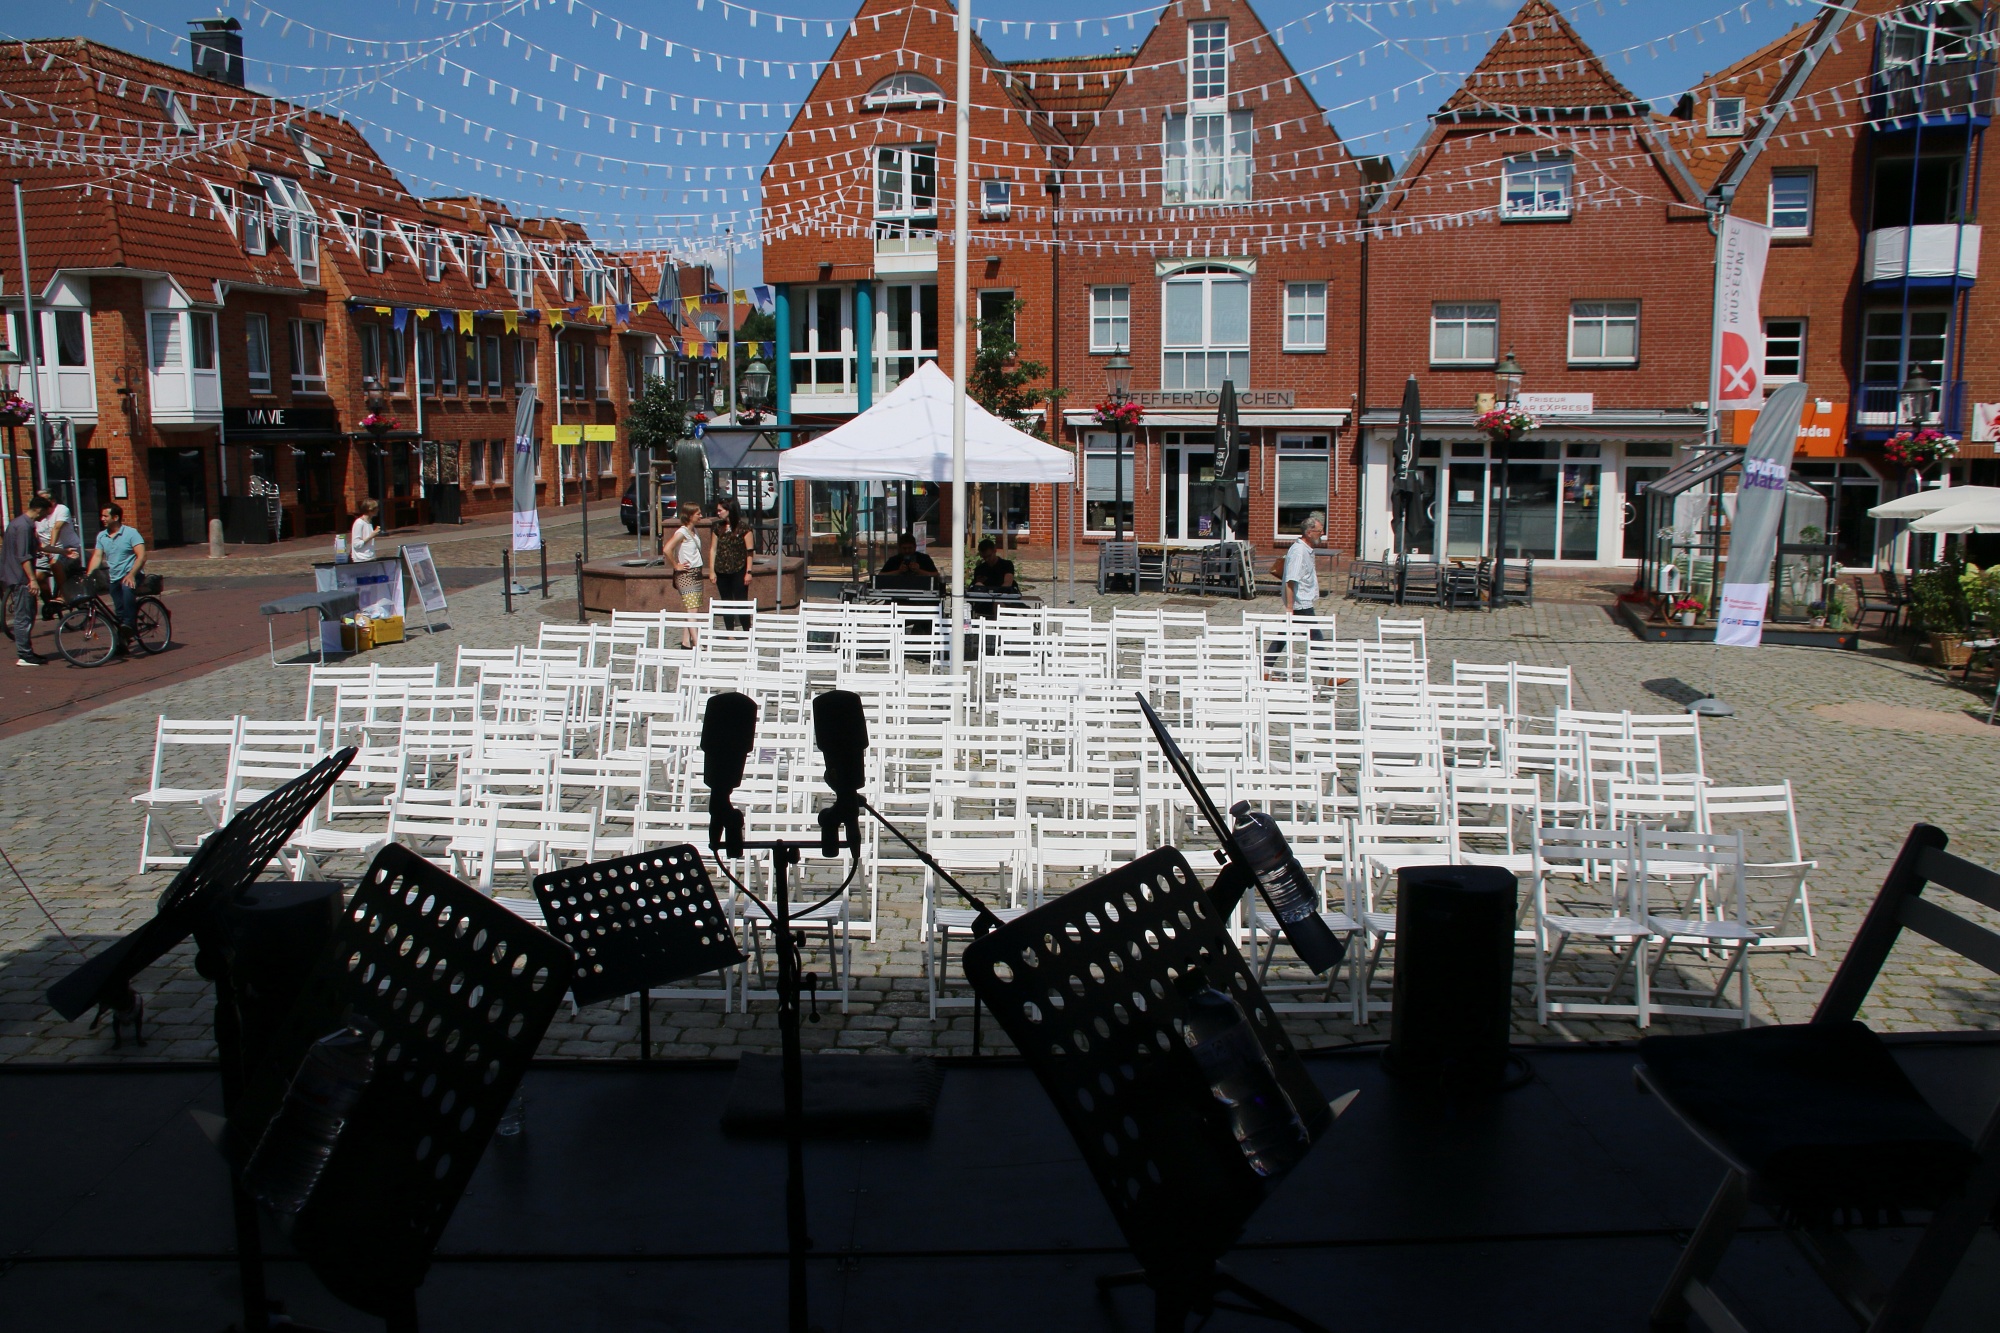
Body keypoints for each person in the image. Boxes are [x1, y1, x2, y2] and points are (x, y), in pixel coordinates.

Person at [1267, 511, 1327, 677]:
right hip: (1300, 603)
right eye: (1319, 531)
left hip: (1301, 602)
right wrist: (1289, 607)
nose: (1322, 533)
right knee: (1315, 638)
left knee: (1283, 637)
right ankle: (1329, 675)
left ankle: (1264, 668)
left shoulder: (1305, 549)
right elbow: (1290, 580)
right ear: (1309, 532)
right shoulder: (1299, 552)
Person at [85, 502, 147, 652]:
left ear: (115, 517)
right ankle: (123, 641)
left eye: (105, 516)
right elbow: (97, 556)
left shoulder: (131, 533)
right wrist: (89, 575)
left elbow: (142, 556)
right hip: (114, 578)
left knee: (127, 590)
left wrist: (132, 574)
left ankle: (129, 625)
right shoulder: (102, 536)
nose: (102, 519)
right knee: (118, 611)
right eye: (102, 516)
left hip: (132, 574)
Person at [4, 493, 50, 666]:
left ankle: (26, 651)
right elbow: (24, 556)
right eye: (45, 512)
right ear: (38, 510)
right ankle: (24, 654)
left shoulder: (19, 523)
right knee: (24, 616)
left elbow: (37, 547)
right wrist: (33, 579)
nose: (45, 517)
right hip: (21, 577)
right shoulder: (24, 527)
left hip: (15, 575)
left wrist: (62, 551)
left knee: (28, 613)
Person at [708, 494, 756, 631]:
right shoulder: (718, 527)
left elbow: (749, 552)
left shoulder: (743, 528)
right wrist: (711, 571)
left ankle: (747, 630)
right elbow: (713, 549)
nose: (718, 513)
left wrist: (748, 572)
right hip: (721, 569)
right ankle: (729, 631)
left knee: (741, 601)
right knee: (726, 601)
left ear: (729, 510)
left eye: (720, 510)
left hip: (739, 569)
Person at [663, 500, 706, 649]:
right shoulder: (682, 532)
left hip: (696, 573)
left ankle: (686, 641)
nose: (701, 516)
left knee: (692, 607)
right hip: (686, 575)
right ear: (689, 516)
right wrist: (676, 565)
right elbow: (667, 549)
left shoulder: (694, 531)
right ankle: (697, 643)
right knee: (692, 609)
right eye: (698, 514)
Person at [33, 490, 79, 619]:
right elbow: (35, 533)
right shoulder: (39, 513)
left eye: (43, 500)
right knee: (38, 577)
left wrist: (51, 549)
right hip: (45, 549)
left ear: (52, 501)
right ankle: (50, 604)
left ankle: (65, 595)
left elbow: (56, 528)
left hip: (66, 548)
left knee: (55, 564)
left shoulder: (61, 509)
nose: (40, 503)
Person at [969, 537, 1016, 621]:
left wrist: (994, 592)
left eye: (989, 556)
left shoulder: (1006, 565)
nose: (987, 559)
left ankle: (1000, 627)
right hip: (985, 602)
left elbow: (1007, 583)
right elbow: (977, 587)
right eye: (984, 557)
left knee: (998, 604)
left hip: (1004, 599)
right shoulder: (980, 569)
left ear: (995, 551)